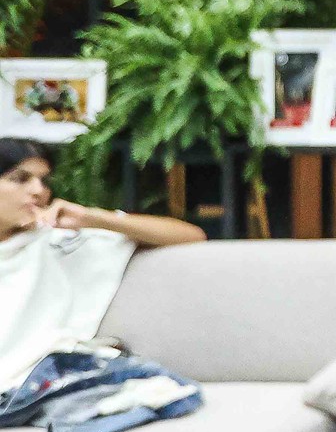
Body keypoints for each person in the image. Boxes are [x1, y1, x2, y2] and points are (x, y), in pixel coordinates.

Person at [0, 139, 205, 393]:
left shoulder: (60, 241)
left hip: (41, 382)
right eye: (20, 179)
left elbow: (190, 235)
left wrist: (93, 217)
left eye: (43, 181)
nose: (38, 191)